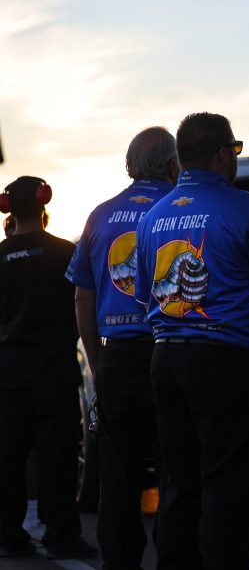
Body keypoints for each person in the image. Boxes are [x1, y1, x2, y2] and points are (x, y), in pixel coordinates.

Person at [134, 113, 249, 569]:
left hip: (166, 359)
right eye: (235, 149)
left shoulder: (153, 218)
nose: (235, 157)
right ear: (221, 154)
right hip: (228, 362)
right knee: (230, 486)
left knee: (179, 481)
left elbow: (144, 294)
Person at [65, 127, 179, 570]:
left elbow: (83, 297)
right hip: (172, 353)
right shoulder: (180, 209)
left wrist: (99, 364)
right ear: (172, 166)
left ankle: (120, 561)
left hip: (117, 358)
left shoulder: (99, 215)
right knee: (179, 469)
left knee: (117, 475)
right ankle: (175, 556)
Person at [0, 176, 97, 560]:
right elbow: (83, 302)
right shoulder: (65, 253)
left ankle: (8, 536)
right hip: (54, 369)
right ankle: (62, 537)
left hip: (8, 372)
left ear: (8, 208)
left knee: (9, 457)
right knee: (58, 458)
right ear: (44, 203)